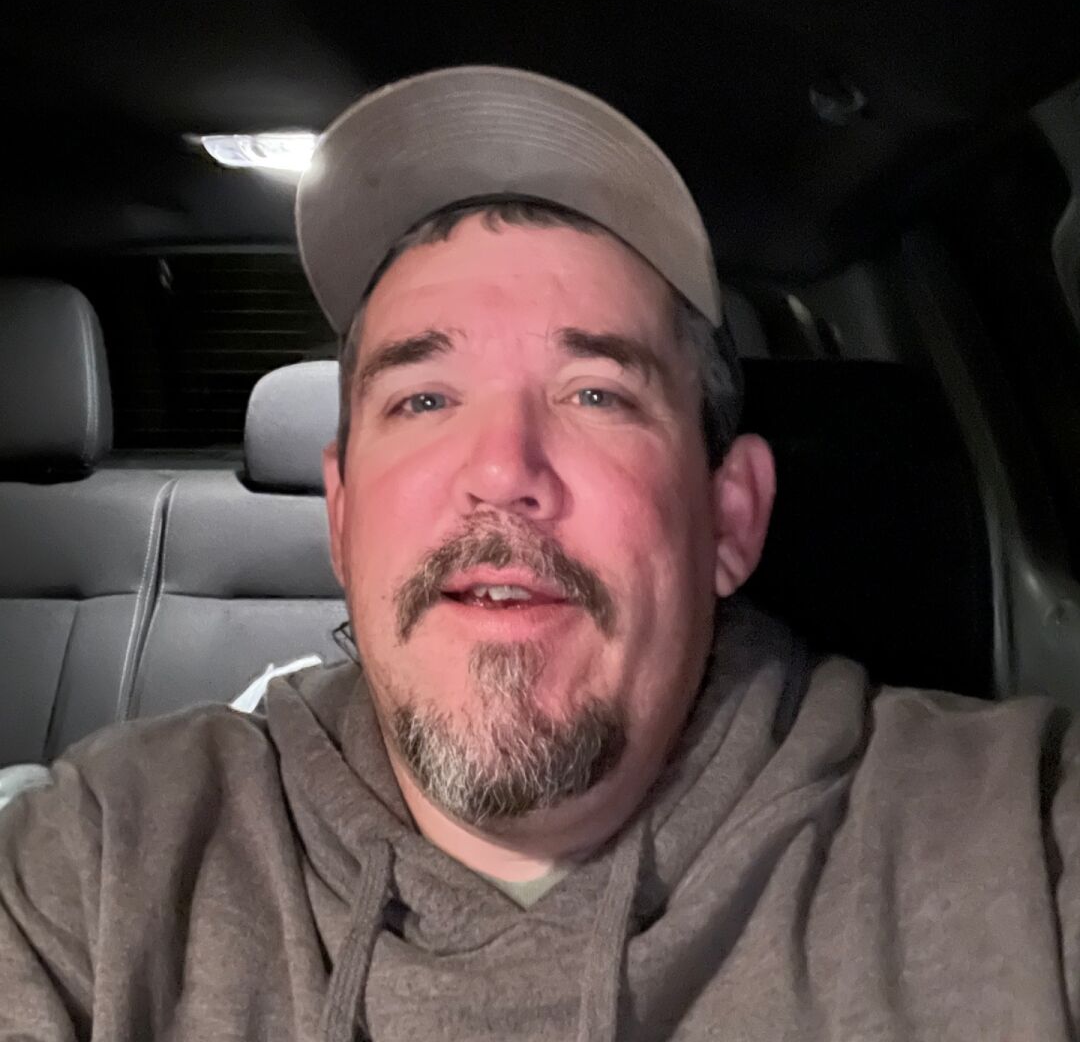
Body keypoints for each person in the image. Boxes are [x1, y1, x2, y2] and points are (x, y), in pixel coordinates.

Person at [1, 65, 1079, 1041]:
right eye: (425, 398)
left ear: (731, 519)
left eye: (595, 394)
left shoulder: (1015, 845)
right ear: (342, 517)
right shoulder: (98, 866)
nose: (501, 469)